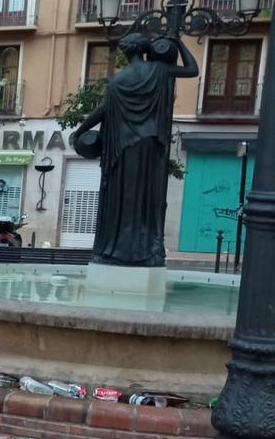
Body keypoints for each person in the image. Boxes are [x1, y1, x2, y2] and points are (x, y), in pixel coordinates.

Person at [71, 32, 197, 268]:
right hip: (150, 143)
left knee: (122, 197)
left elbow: (101, 111)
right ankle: (148, 249)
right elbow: (192, 70)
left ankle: (115, 249)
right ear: (145, 49)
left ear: (126, 52)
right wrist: (179, 43)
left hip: (123, 147)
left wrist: (80, 131)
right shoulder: (159, 70)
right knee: (148, 195)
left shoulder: (118, 82)